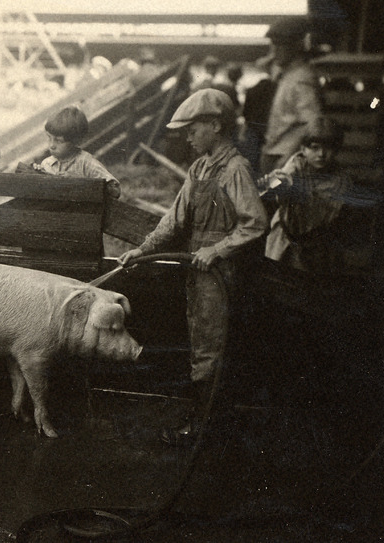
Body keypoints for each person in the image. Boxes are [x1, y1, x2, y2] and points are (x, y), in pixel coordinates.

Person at [118, 89, 268, 445]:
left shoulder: (235, 169)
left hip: (221, 273)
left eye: (192, 129)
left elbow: (256, 222)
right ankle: (204, 422)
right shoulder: (199, 169)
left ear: (215, 125)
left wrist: (217, 250)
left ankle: (204, 431)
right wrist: (140, 251)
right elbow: (173, 222)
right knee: (201, 344)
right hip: (198, 272)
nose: (187, 136)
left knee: (212, 348)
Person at [256, 116, 352, 273]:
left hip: (319, 244)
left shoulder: (340, 180)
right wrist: (272, 185)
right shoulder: (295, 167)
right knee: (281, 280)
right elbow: (275, 182)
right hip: (287, 239)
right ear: (303, 149)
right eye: (314, 148)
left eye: (328, 148)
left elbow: (336, 214)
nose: (321, 154)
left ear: (336, 150)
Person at [260, 16, 323, 175]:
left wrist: (289, 158)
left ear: (296, 46)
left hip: (284, 157)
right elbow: (264, 64)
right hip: (275, 153)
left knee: (276, 198)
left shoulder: (301, 78)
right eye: (273, 44)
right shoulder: (289, 74)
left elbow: (312, 123)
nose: (274, 51)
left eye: (280, 44)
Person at [29, 106, 121, 199]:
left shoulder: (86, 163)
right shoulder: (47, 164)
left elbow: (115, 191)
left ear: (75, 141)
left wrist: (82, 182)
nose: (52, 145)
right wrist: (37, 175)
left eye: (59, 141)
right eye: (49, 137)